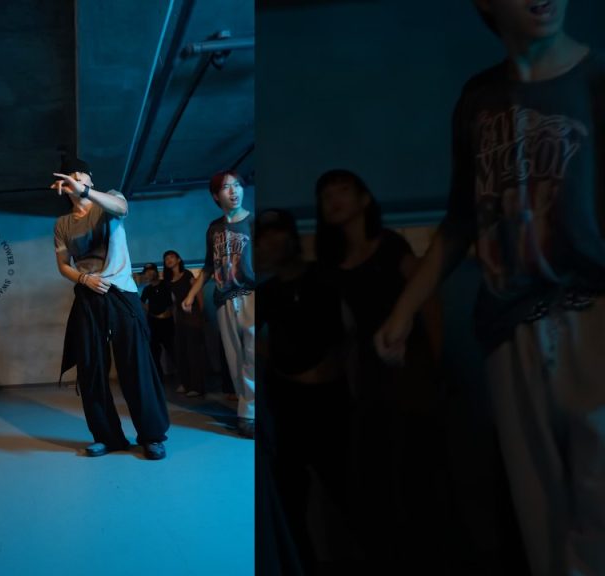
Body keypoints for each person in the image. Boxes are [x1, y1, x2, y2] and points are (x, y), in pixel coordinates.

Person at [374, 2, 605, 574]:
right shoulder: (478, 100)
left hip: (593, 313)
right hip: (510, 325)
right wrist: (403, 310)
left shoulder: (596, 78)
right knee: (541, 513)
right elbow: (461, 221)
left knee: (599, 506)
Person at [314, 169, 446, 572]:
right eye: (327, 195)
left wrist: (437, 363)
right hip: (370, 370)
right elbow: (347, 330)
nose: (335, 200)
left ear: (364, 199)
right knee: (376, 470)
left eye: (343, 191)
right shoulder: (332, 262)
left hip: (410, 361)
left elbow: (427, 299)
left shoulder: (389, 245)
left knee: (415, 465)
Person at [259, 209, 357, 573]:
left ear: (291, 238)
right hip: (288, 404)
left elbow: (353, 332)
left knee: (350, 489)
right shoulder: (268, 292)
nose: (270, 243)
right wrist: (280, 368)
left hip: (332, 402)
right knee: (292, 497)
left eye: (276, 234)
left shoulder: (326, 277)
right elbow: (252, 338)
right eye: (263, 238)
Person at [53, 156, 170, 460]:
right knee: (90, 367)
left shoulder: (109, 200)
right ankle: (107, 436)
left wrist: (85, 192)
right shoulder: (63, 224)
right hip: (88, 294)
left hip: (121, 293)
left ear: (90, 179)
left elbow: (122, 208)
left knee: (135, 365)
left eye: (81, 175)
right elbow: (63, 265)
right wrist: (84, 279)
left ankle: (152, 436)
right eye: (70, 177)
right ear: (62, 186)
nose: (76, 180)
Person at [182, 170, 255, 438]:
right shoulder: (214, 229)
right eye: (226, 187)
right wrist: (191, 295)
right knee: (235, 360)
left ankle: (251, 413)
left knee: (253, 356)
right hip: (224, 299)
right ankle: (246, 412)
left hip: (251, 295)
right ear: (216, 196)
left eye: (237, 185)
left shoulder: (254, 221)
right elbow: (208, 267)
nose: (234, 191)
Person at [163, 250, 206, 397]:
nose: (169, 260)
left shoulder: (187, 274)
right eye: (166, 259)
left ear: (179, 260)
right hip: (180, 318)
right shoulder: (169, 281)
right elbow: (174, 302)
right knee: (181, 350)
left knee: (193, 351)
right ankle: (185, 383)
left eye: (171, 257)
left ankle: (196, 386)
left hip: (192, 315)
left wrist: (200, 312)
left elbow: (198, 292)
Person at [139, 262, 175, 386]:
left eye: (151, 271)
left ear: (156, 271)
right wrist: (149, 309)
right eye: (146, 272)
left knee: (173, 350)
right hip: (153, 323)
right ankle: (158, 381)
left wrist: (169, 312)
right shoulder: (147, 289)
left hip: (167, 323)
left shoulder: (166, 284)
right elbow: (140, 302)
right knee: (154, 353)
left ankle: (184, 380)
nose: (149, 274)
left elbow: (173, 301)